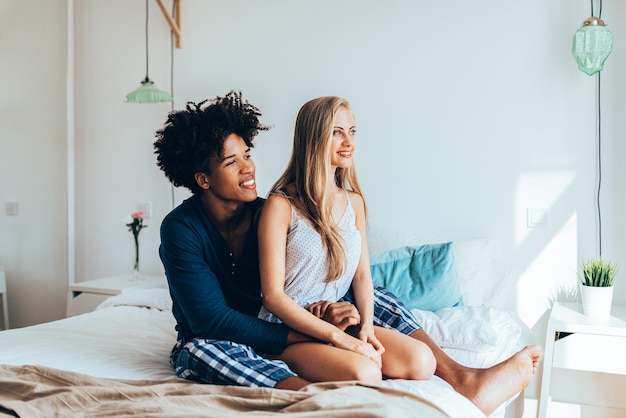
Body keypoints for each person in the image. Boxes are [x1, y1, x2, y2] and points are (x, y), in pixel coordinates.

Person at [153, 90, 542, 416]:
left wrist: (336, 314)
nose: (248, 167)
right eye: (230, 161)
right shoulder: (182, 230)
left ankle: (461, 377)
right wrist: (328, 335)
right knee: (201, 353)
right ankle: (314, 398)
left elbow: (314, 278)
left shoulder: (267, 210)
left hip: (297, 320)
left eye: (247, 154)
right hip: (221, 335)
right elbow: (215, 319)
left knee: (374, 296)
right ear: (202, 178)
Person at [256, 96, 436, 384]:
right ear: (313, 138)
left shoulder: (355, 202)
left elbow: (362, 276)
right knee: (365, 372)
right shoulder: (281, 205)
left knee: (422, 360)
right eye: (337, 132)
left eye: (352, 132)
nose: (349, 142)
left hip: (337, 320)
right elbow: (273, 297)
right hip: (289, 331)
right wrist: (339, 339)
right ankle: (283, 359)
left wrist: (367, 328)